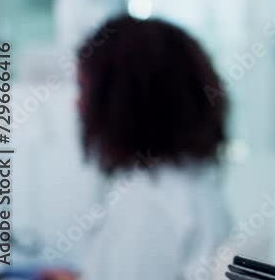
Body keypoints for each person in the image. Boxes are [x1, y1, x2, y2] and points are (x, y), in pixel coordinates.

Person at [40, 15, 233, 280]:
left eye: (84, 89)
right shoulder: (191, 186)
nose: (78, 104)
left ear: (120, 102)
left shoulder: (145, 211)